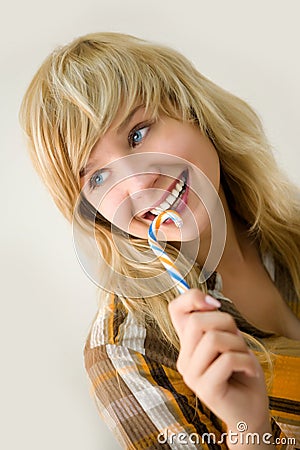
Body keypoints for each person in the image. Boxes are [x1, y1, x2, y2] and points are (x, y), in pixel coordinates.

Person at [19, 32, 300, 449]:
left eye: (138, 133)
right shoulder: (125, 351)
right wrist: (247, 427)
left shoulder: (288, 227)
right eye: (96, 177)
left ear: (192, 110)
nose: (137, 182)